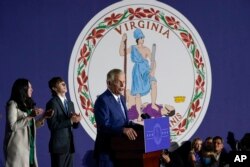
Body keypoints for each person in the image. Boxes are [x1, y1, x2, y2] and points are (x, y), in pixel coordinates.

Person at [3, 78, 53, 167]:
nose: (32, 90)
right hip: (18, 151)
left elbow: (30, 126)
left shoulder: (28, 106)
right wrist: (30, 116)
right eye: (30, 87)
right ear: (23, 89)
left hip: (30, 149)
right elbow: (13, 126)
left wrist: (44, 117)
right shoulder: (12, 104)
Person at [94, 69, 138, 167]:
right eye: (119, 82)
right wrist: (122, 130)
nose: (123, 86)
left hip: (121, 151)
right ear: (109, 83)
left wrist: (141, 127)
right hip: (107, 153)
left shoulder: (121, 98)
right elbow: (103, 126)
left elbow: (124, 122)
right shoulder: (102, 100)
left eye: (124, 82)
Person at [120, 28, 158, 121]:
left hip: (146, 71)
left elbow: (153, 60)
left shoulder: (146, 49)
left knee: (153, 83)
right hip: (137, 72)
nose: (142, 39)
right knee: (137, 94)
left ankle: (153, 103)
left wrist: (153, 70)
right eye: (140, 37)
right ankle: (139, 114)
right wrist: (122, 41)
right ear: (137, 39)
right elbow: (121, 53)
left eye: (143, 37)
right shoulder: (133, 48)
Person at [46, 77, 81, 167]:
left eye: (64, 83)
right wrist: (70, 121)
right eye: (61, 83)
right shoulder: (52, 103)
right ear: (54, 88)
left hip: (69, 146)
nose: (64, 84)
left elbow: (72, 125)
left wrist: (76, 121)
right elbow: (52, 125)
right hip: (58, 147)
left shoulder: (70, 103)